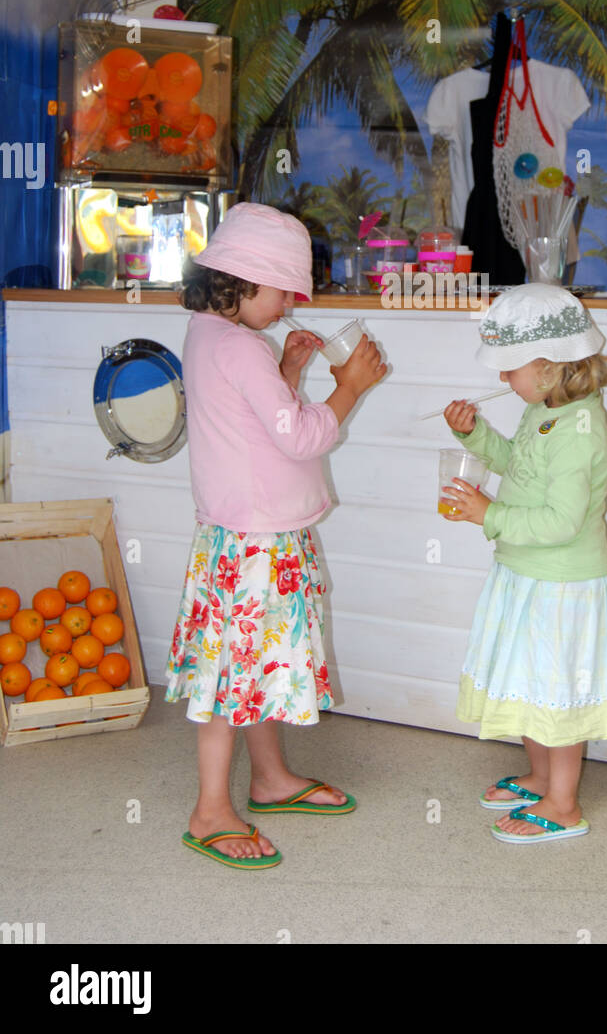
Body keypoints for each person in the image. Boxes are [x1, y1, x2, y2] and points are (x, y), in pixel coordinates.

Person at [166, 203, 386, 868]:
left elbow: (254, 419)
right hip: (255, 544)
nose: (288, 309)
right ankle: (209, 810)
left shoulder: (211, 335)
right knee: (229, 677)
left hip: (238, 538)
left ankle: (269, 779)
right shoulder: (239, 346)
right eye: (282, 296)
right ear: (246, 282)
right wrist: (349, 388)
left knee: (245, 668)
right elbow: (299, 436)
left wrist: (288, 374)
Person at [441, 283, 607, 844]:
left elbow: (561, 522)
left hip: (562, 586)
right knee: (529, 682)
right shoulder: (541, 412)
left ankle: (563, 803)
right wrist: (474, 435)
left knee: (557, 692)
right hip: (525, 575)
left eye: (511, 369)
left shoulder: (580, 430)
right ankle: (540, 775)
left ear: (551, 368)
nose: (502, 380)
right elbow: (519, 466)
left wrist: (490, 515)